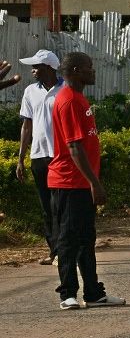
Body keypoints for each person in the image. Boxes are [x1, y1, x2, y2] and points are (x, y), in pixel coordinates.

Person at [48, 52, 126, 311]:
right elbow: (74, 148)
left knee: (86, 239)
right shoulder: (69, 100)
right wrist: (95, 183)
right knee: (68, 239)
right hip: (69, 182)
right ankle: (67, 293)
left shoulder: (80, 98)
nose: (93, 71)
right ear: (75, 70)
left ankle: (93, 292)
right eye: (89, 68)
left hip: (80, 183)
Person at [16, 49, 64, 265]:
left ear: (49, 69)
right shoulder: (30, 92)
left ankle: (66, 250)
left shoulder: (66, 90)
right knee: (46, 207)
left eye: (36, 67)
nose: (33, 71)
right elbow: (27, 125)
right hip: (39, 157)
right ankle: (54, 251)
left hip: (61, 156)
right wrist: (20, 159)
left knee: (61, 206)